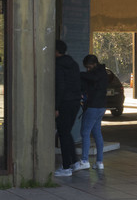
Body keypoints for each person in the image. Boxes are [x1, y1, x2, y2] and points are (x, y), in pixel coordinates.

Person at [73, 54, 108, 172]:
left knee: (85, 132)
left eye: (89, 67)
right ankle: (99, 161)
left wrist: (78, 74)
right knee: (97, 132)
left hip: (93, 106)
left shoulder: (97, 74)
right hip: (101, 106)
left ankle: (84, 160)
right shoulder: (102, 73)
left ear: (94, 64)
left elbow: (91, 78)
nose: (88, 69)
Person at [54, 39, 82, 177]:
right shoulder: (73, 64)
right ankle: (74, 162)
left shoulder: (58, 65)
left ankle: (66, 167)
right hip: (75, 102)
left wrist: (56, 106)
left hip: (64, 103)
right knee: (67, 132)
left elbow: (60, 87)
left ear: (56, 51)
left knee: (63, 134)